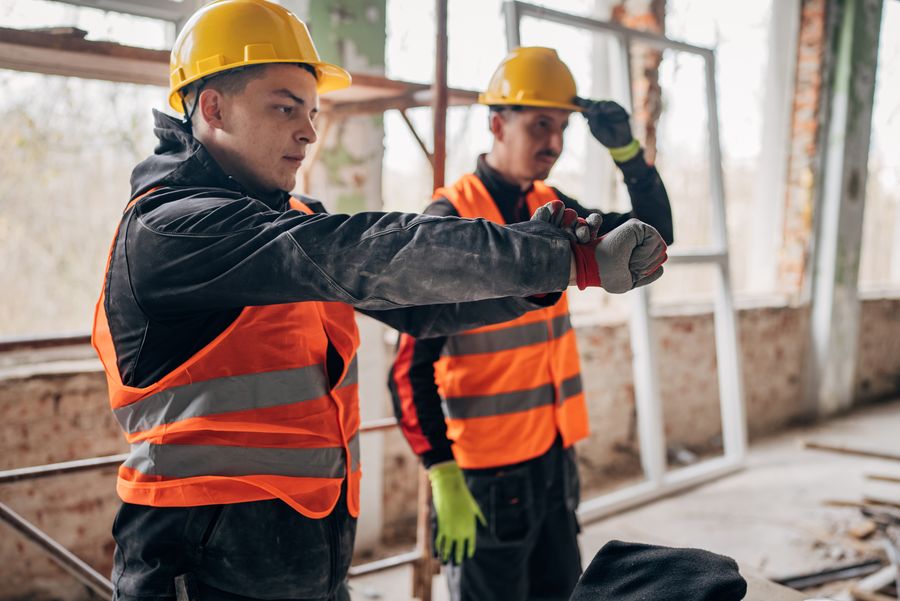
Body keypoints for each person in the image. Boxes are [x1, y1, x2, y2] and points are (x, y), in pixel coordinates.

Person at [90, 2, 668, 599]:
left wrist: (544, 278)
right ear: (212, 107)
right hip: (201, 563)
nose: (309, 131)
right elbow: (363, 253)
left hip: (312, 547)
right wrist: (559, 258)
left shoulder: (288, 218)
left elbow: (424, 312)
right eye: (285, 107)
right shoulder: (172, 230)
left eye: (311, 112)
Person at [388, 47, 674, 601]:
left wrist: (629, 153)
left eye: (562, 126)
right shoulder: (451, 218)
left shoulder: (554, 208)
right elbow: (408, 370)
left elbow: (654, 235)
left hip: (554, 460)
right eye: (540, 123)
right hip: (485, 477)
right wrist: (442, 474)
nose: (555, 142)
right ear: (497, 122)